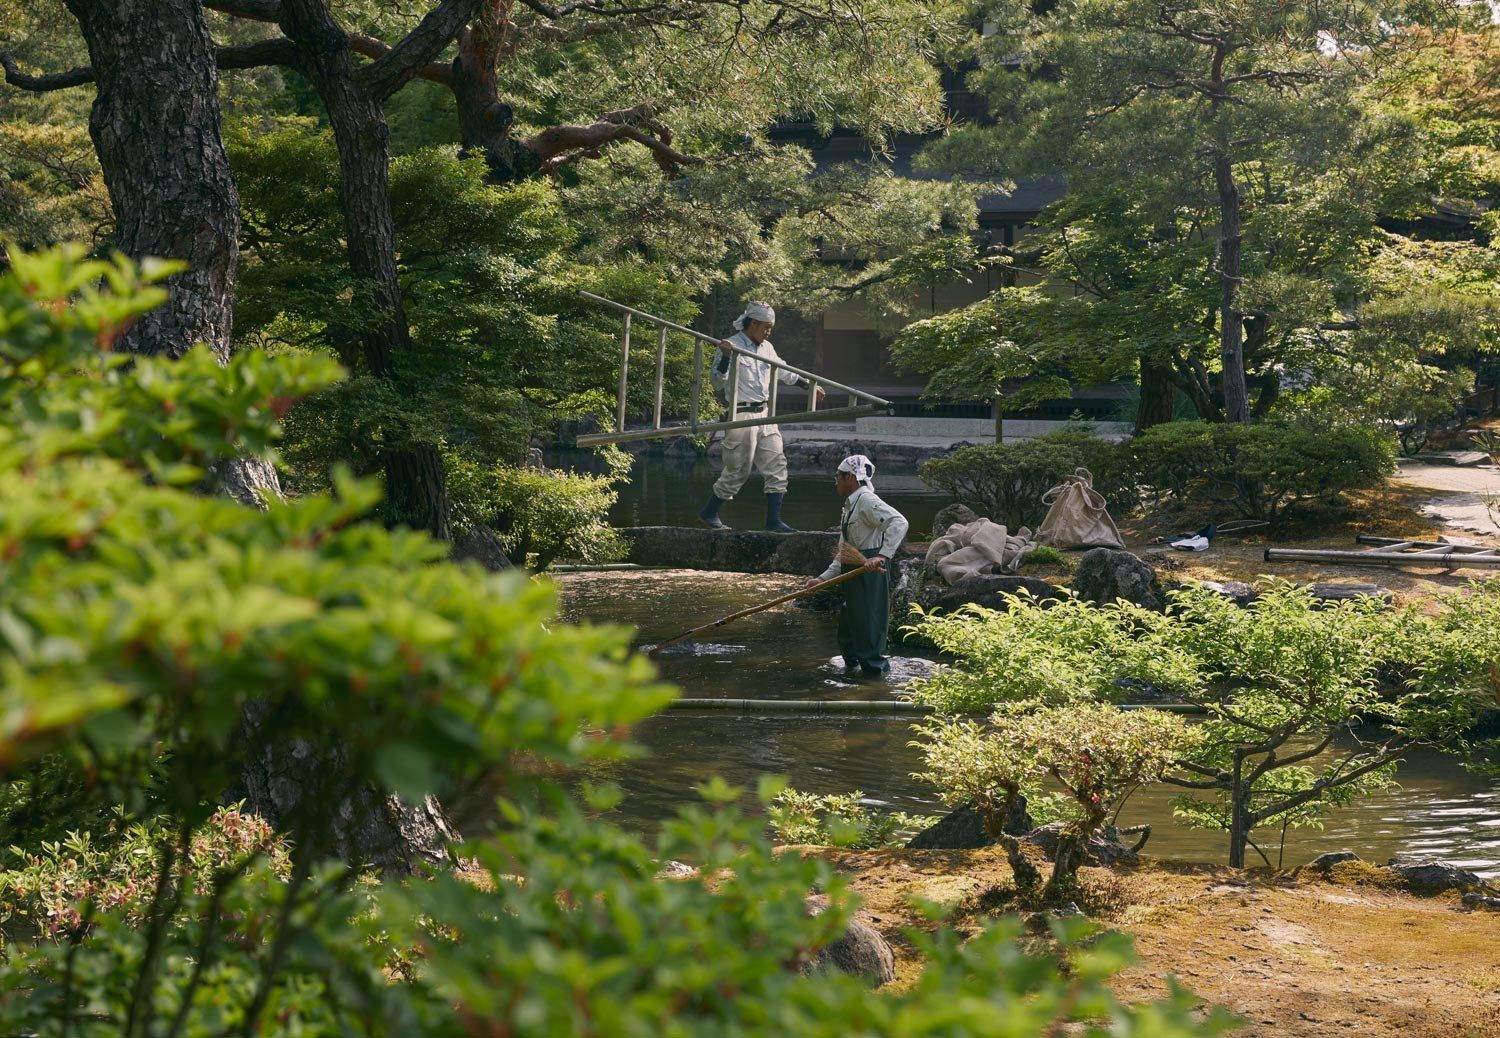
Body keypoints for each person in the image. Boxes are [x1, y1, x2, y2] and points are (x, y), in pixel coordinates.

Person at [698, 301, 824, 532]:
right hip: (742, 413)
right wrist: (726, 357)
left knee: (777, 465)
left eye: (770, 328)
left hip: (765, 414)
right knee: (738, 469)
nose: (768, 332)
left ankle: (773, 521)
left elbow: (784, 370)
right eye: (765, 327)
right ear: (753, 323)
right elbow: (717, 382)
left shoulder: (767, 348)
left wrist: (809, 386)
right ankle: (709, 512)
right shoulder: (731, 345)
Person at [805, 454, 909, 677]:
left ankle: (875, 680)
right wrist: (822, 579)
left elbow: (899, 522)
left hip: (869, 571)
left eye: (837, 477)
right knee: (850, 623)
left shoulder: (867, 501)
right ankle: (851, 671)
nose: (835, 482)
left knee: (869, 623)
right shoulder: (851, 505)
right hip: (854, 568)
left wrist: (881, 556)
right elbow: (845, 552)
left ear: (850, 477)